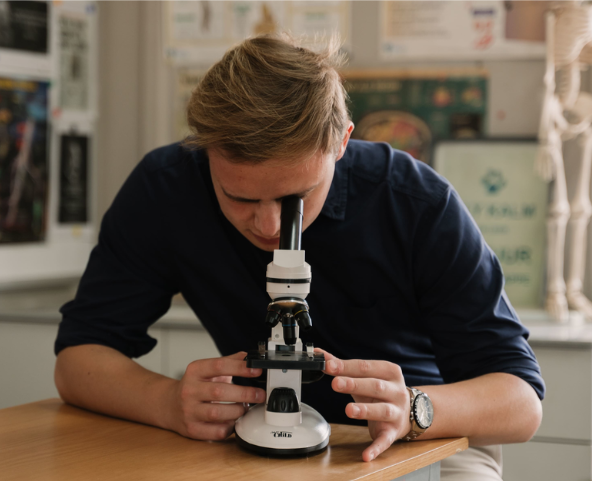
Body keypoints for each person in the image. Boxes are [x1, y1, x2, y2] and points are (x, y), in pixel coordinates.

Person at [54, 34, 544, 480]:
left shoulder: (415, 202)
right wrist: (166, 401)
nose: (270, 227)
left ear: (342, 142)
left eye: (295, 197)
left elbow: (521, 403)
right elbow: (78, 359)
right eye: (240, 198)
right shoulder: (166, 190)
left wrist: (414, 408)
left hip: (418, 433)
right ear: (205, 152)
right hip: (251, 436)